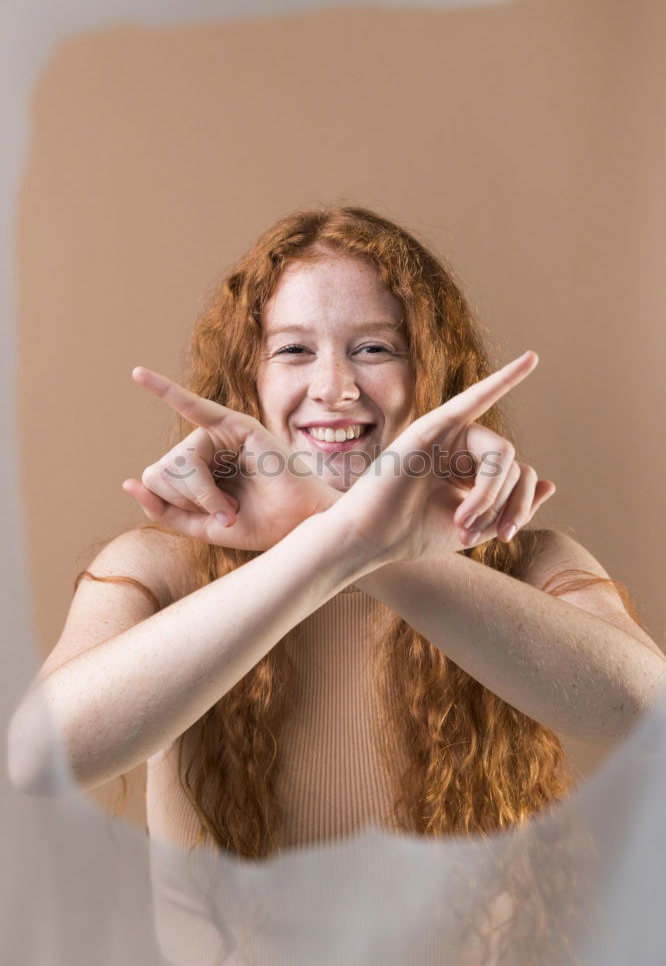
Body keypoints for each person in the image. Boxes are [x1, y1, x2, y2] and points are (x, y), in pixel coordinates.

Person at [7, 205, 666, 960]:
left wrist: (356, 543)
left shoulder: (530, 558)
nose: (335, 387)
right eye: (293, 349)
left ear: (434, 376)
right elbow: (39, 756)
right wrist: (329, 543)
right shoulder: (164, 568)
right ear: (247, 382)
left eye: (375, 348)